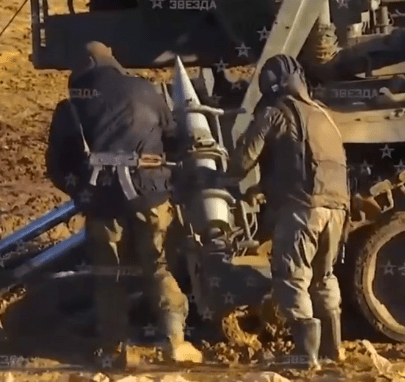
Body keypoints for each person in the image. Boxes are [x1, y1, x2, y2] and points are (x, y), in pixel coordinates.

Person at [45, 41, 202, 366]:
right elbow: (174, 140)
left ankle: (116, 351)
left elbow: (57, 167)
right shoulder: (145, 90)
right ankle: (176, 341)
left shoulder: (71, 105)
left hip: (102, 202)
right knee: (157, 267)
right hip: (151, 198)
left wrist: (81, 193)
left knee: (109, 275)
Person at [228, 54, 350, 369]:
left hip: (302, 211)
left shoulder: (275, 112)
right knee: (323, 277)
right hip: (336, 211)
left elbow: (241, 162)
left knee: (292, 277)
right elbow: (301, 161)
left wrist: (219, 176)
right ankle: (332, 351)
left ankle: (305, 358)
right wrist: (265, 188)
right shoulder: (324, 115)